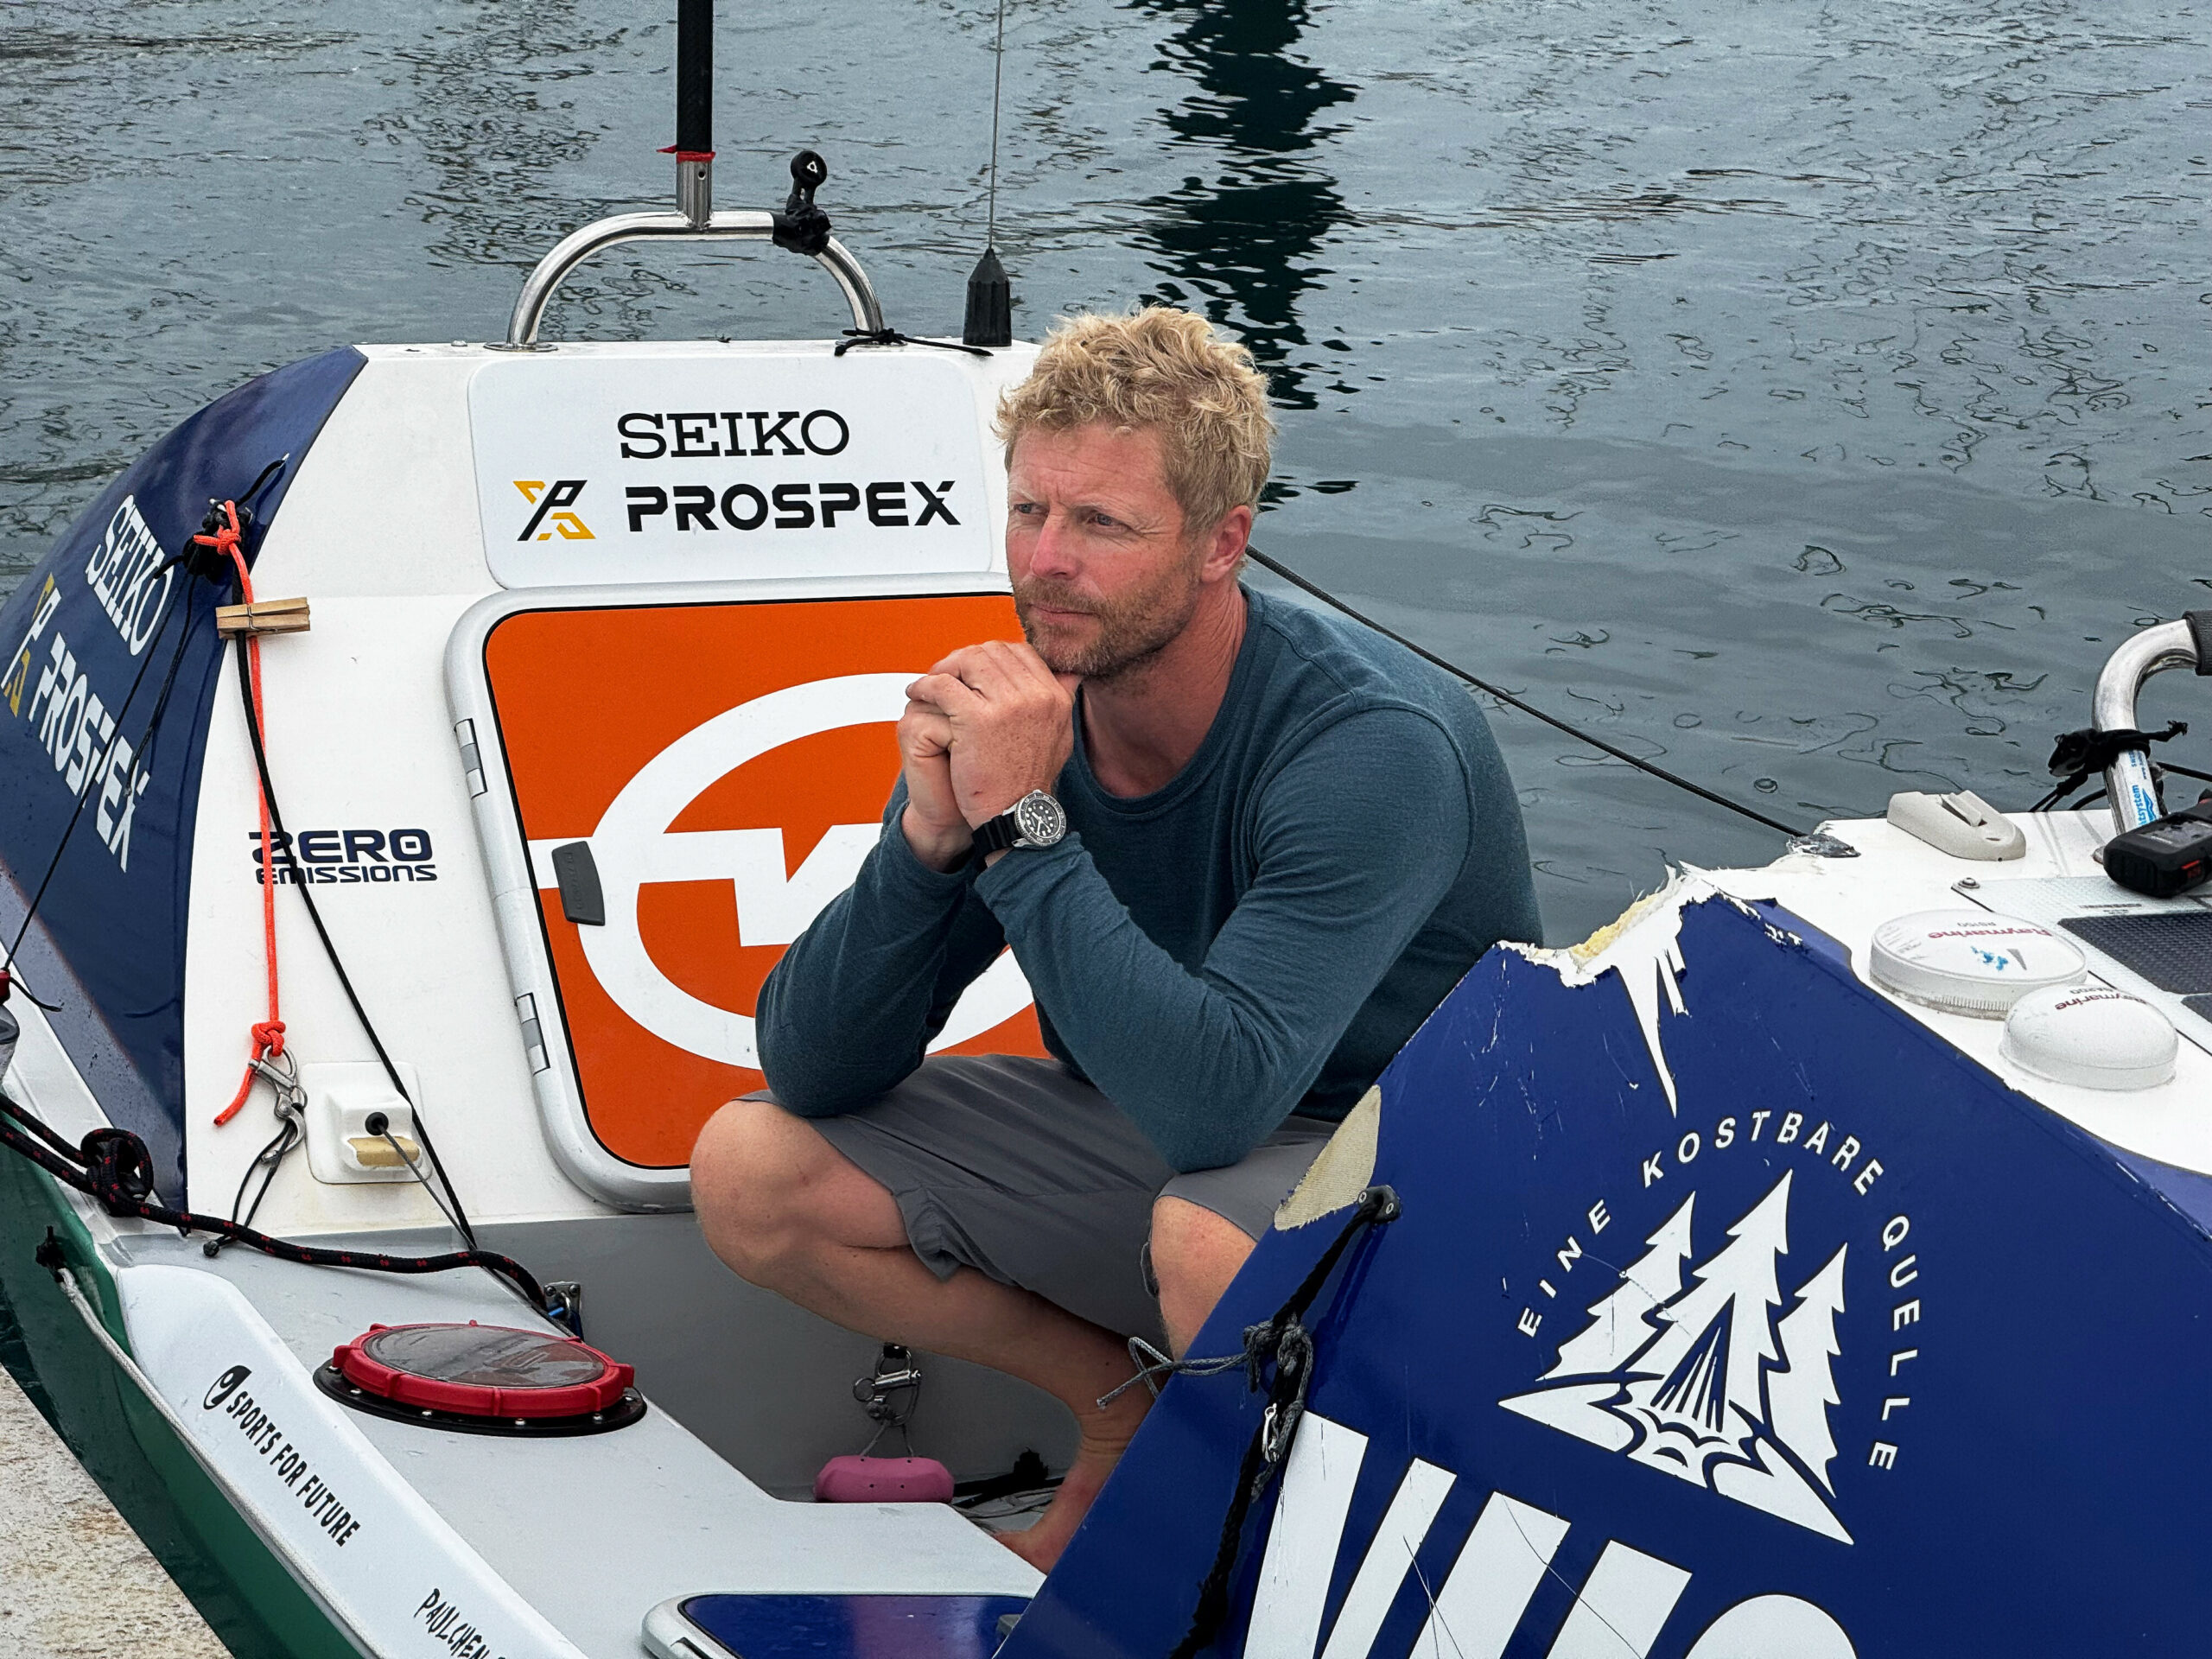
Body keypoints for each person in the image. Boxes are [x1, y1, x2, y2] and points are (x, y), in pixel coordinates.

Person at [691, 306, 1538, 1568]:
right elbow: (815, 1069)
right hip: (1181, 1128)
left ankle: (1258, 1564)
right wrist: (930, 842)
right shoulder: (1033, 717)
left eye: (1101, 525)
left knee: (1204, 1235)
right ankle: (1121, 1413)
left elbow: (1213, 1112)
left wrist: (1025, 826)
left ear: (1220, 543)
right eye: (1031, 511)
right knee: (754, 1168)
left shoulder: (1372, 746)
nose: (1047, 562)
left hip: (1422, 1170)